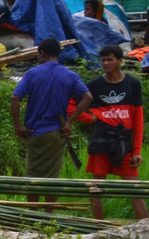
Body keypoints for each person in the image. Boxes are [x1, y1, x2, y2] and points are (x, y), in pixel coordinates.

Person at [10, 37, 90, 210]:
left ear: (42, 53)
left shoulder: (33, 73)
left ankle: (33, 213)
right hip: (56, 132)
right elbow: (87, 97)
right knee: (52, 176)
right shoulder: (69, 75)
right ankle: (48, 213)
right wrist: (70, 122)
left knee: (33, 175)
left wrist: (18, 126)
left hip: (35, 131)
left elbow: (15, 98)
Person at [74, 44, 149, 220]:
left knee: (134, 189)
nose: (106, 63)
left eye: (110, 59)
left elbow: (138, 120)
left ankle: (147, 226)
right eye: (103, 60)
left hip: (124, 143)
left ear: (120, 61)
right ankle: (98, 226)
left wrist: (137, 151)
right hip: (101, 141)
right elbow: (70, 106)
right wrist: (89, 118)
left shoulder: (133, 84)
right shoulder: (93, 86)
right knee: (96, 188)